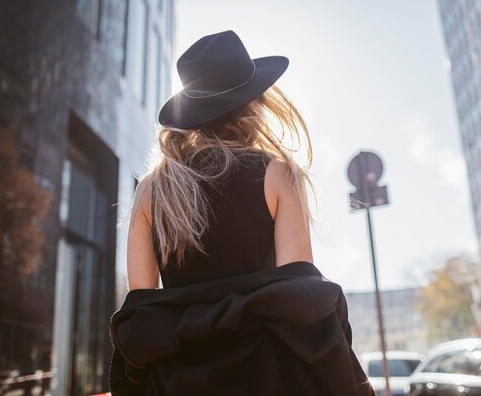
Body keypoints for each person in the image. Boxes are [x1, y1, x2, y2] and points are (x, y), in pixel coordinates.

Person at [109, 30, 373, 396]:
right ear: (254, 103)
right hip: (268, 373)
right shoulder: (277, 173)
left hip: (177, 378)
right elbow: (300, 298)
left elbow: (140, 305)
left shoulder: (151, 190)